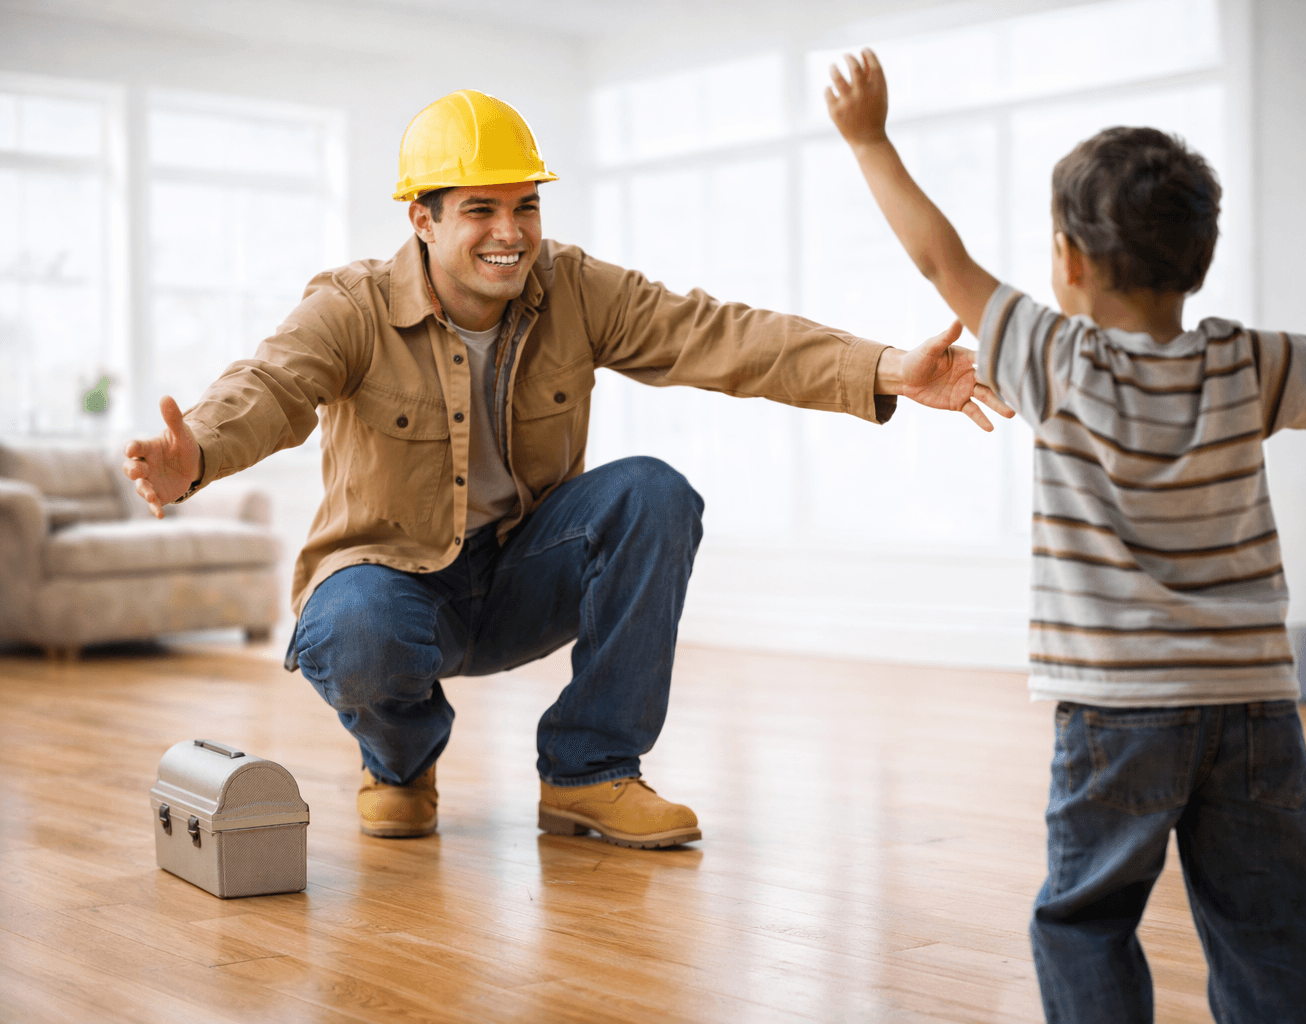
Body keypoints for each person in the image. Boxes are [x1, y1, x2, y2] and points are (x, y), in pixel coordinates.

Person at [825, 49, 1306, 1023]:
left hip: (1115, 711)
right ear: (1195, 259)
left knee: (1088, 919)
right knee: (1273, 922)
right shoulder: (1247, 362)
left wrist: (868, 138)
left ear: (1068, 263)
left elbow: (937, 257)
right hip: (1252, 705)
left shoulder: (1051, 356)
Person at [123, 89, 1013, 849]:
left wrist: (889, 367)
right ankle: (398, 763)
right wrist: (193, 452)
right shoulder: (350, 306)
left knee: (652, 493)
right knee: (354, 630)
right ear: (422, 218)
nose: (510, 234)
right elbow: (272, 386)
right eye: (480, 209)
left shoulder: (574, 288)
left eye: (526, 207)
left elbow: (722, 335)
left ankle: (589, 773)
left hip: (520, 576)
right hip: (394, 588)